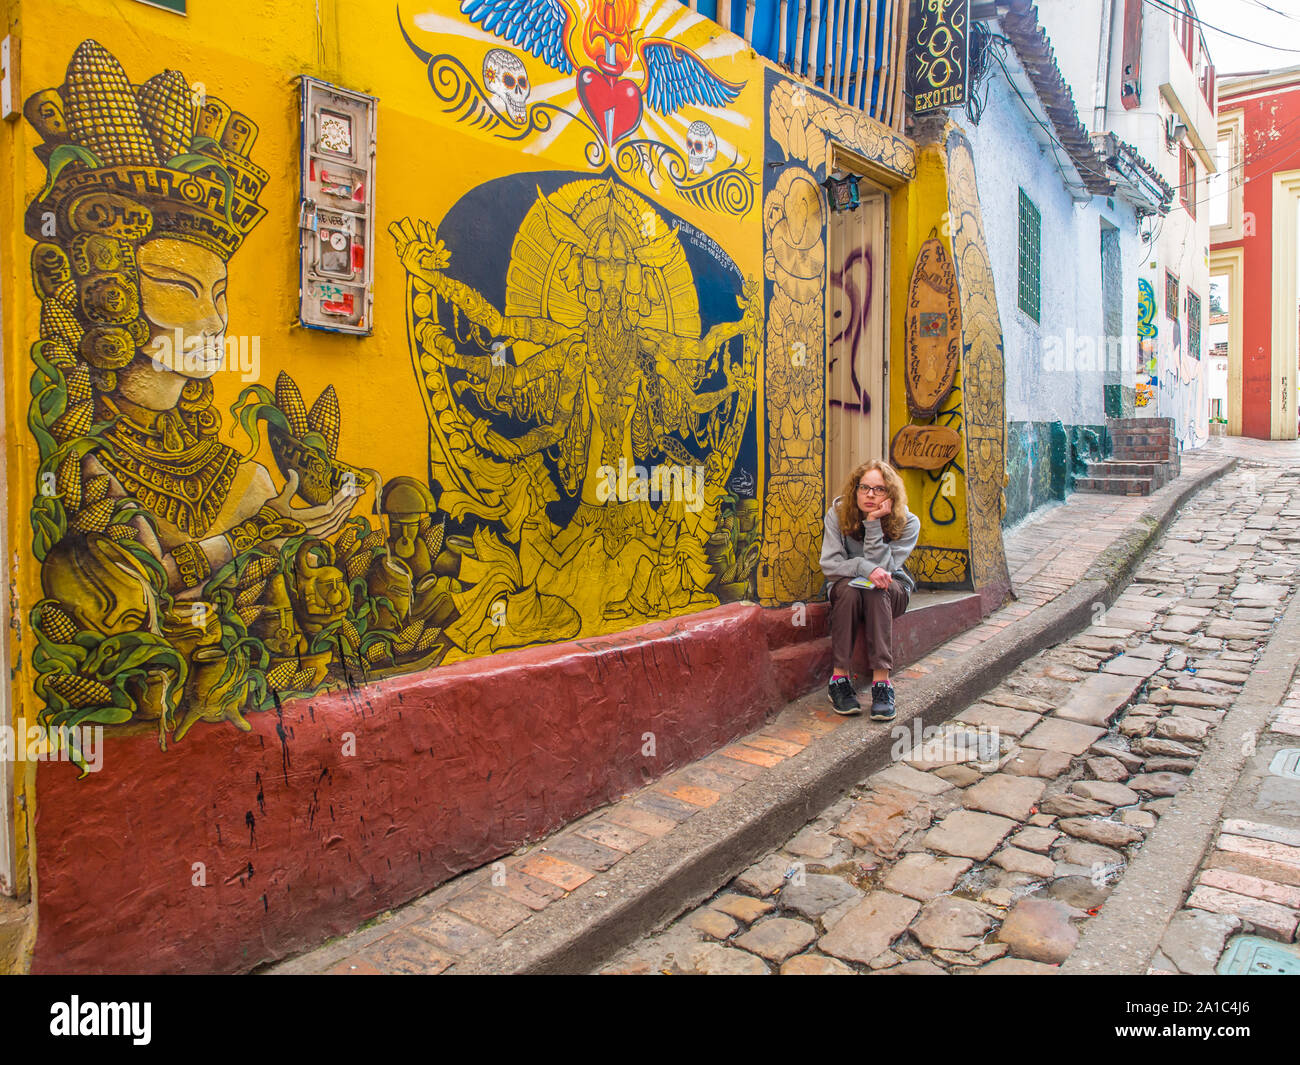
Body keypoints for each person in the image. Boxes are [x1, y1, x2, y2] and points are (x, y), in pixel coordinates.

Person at [819, 459, 920, 720]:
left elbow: (885, 570)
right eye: (864, 488)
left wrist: (874, 522)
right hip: (848, 589)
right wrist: (863, 567)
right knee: (852, 591)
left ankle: (881, 683)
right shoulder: (838, 514)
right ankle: (839, 680)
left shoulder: (908, 522)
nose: (870, 495)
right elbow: (830, 564)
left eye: (879, 489)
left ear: (891, 494)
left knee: (876, 590)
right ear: (855, 490)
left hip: (891, 590)